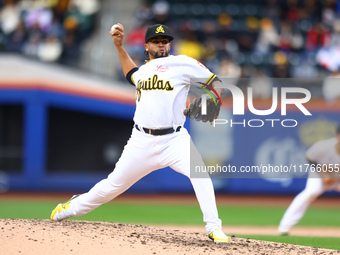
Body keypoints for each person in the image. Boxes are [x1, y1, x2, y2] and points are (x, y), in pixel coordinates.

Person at [50, 23, 229, 243]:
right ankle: (70, 207)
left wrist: (213, 99)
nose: (162, 44)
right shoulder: (143, 71)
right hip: (141, 141)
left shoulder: (182, 63)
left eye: (165, 41)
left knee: (200, 174)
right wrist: (119, 46)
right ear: (146, 45)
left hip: (174, 139)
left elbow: (217, 84)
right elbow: (131, 74)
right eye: (156, 41)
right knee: (111, 187)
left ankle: (214, 228)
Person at [278, 125, 340, 235]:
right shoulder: (324, 146)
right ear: (337, 136)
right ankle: (285, 226)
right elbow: (309, 157)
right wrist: (324, 174)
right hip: (319, 175)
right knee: (311, 192)